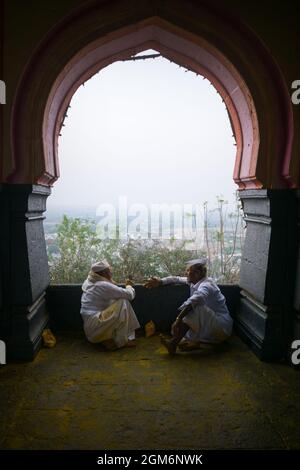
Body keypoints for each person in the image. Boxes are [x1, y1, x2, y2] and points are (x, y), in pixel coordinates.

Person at [144, 258, 233, 354]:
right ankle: (199, 343)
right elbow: (176, 279)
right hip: (210, 324)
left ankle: (173, 344)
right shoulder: (194, 281)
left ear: (197, 274)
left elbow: (195, 300)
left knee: (196, 306)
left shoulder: (207, 285)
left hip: (221, 327)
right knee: (178, 333)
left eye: (188, 271)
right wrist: (160, 282)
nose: (186, 273)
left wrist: (179, 319)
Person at [80, 260, 140, 350]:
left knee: (114, 300)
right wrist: (128, 286)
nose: (111, 273)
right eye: (110, 271)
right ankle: (121, 341)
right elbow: (129, 295)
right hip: (97, 324)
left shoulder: (90, 281)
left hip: (91, 328)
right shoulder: (102, 285)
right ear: (104, 273)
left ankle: (107, 340)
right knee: (123, 301)